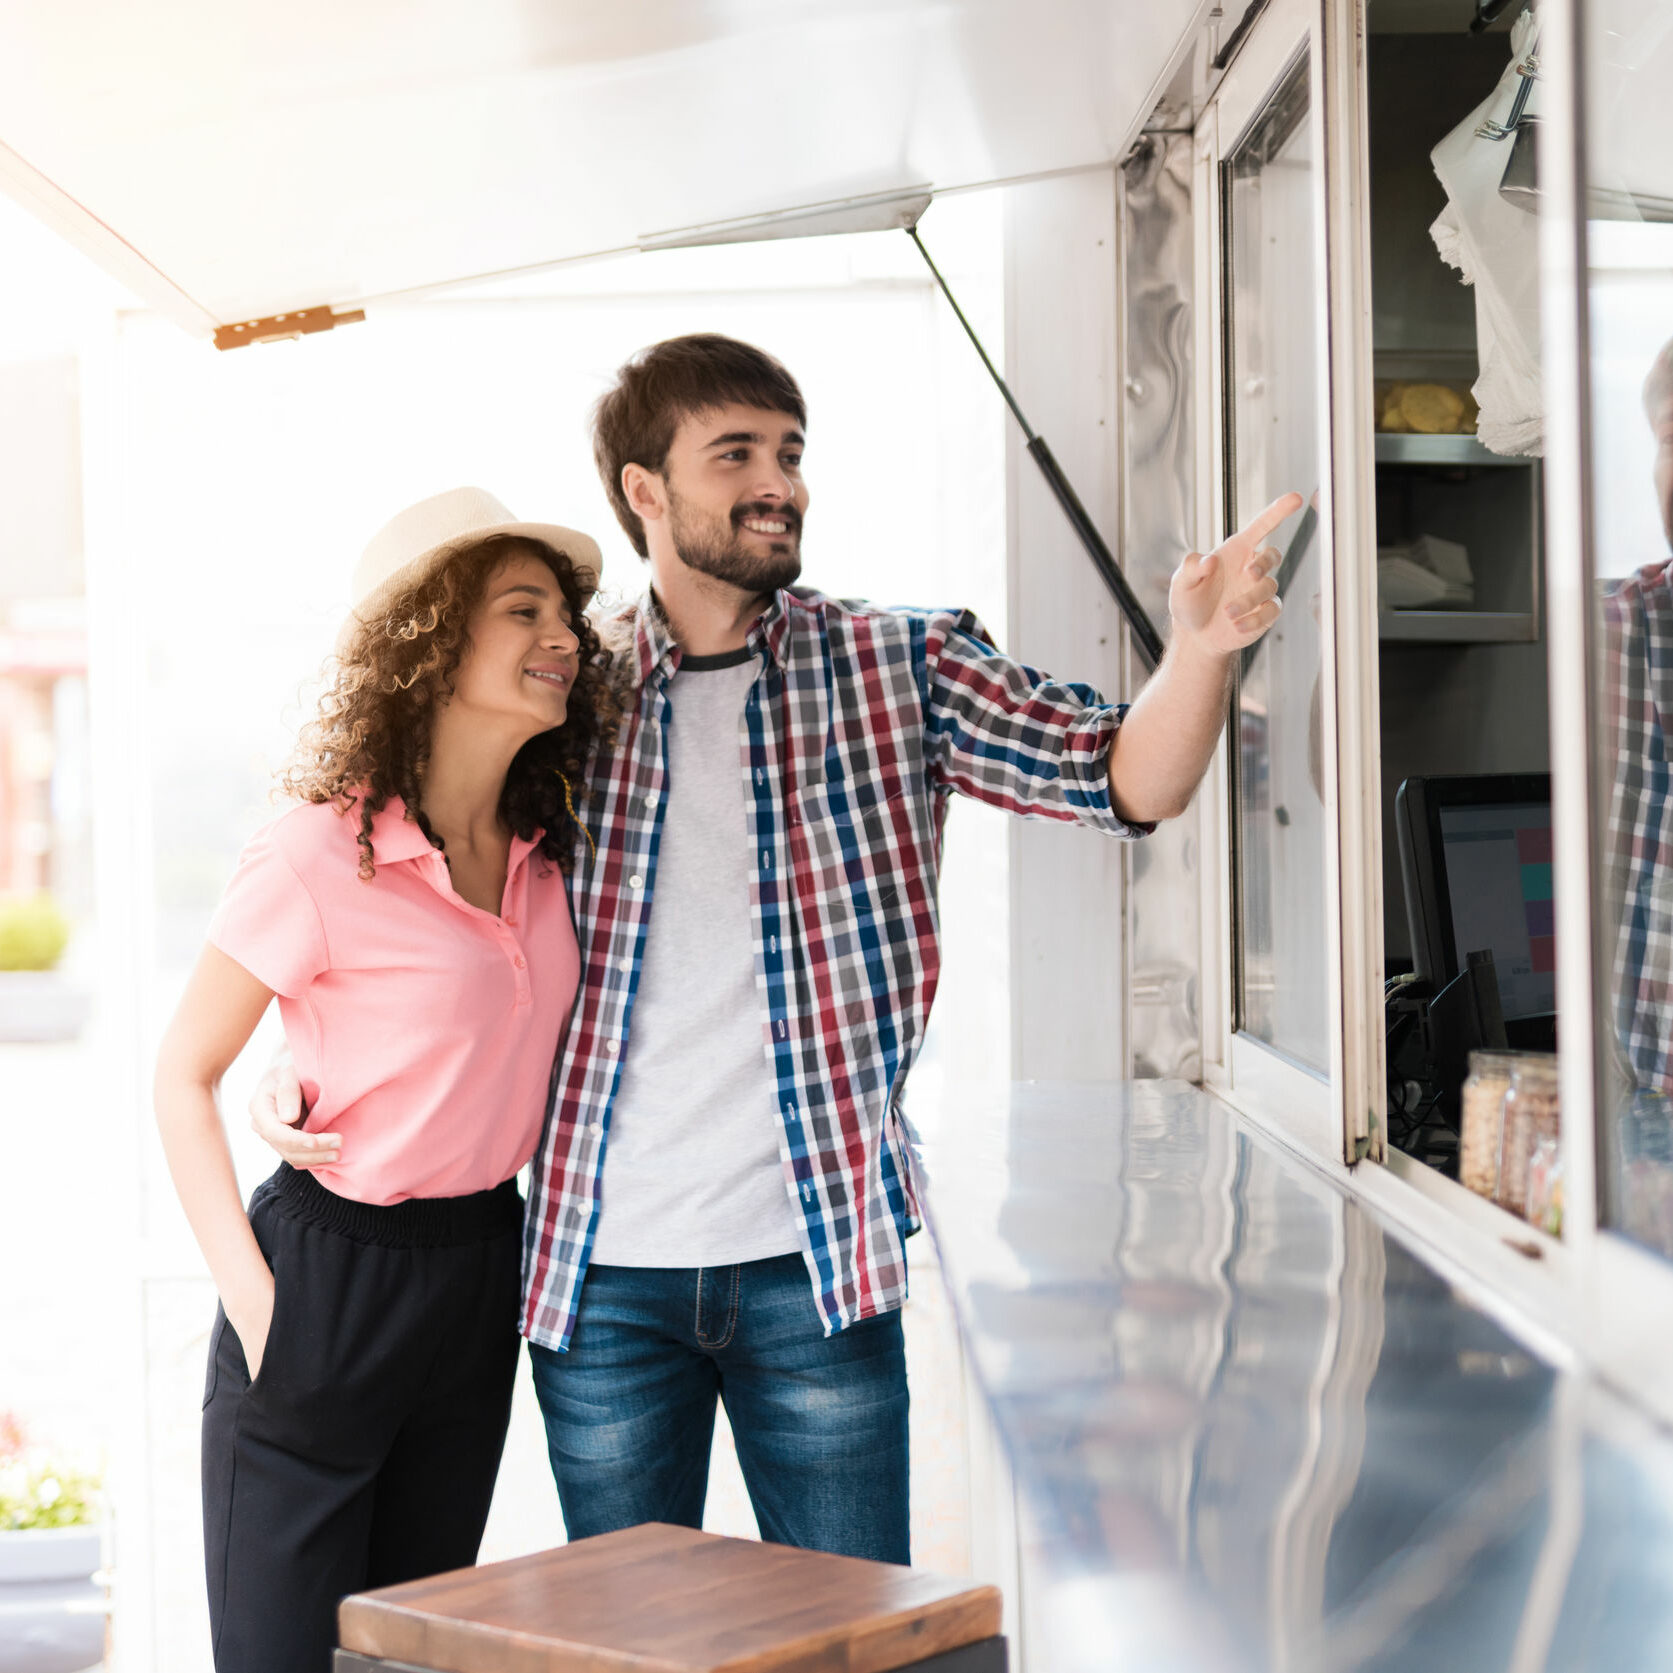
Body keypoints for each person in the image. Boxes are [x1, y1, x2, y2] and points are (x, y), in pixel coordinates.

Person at [259, 334, 1295, 1564]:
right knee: (636, 1653)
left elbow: (1126, 778)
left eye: (790, 453)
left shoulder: (901, 663)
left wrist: (1199, 650)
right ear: (645, 490)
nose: (779, 482)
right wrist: (304, 1056)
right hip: (597, 1280)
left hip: (815, 1262)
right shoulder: (566, 700)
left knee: (850, 1634)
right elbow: (417, 881)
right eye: (736, 453)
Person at [154, 489, 612, 1673]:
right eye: (523, 610)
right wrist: (264, 1313)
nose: (562, 634)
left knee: (413, 1656)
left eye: (566, 612)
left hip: (478, 1274)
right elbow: (182, 1071)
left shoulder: (546, 848)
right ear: (429, 638)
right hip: (326, 1274)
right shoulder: (315, 846)